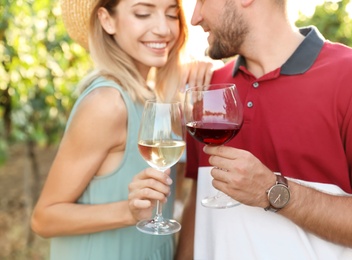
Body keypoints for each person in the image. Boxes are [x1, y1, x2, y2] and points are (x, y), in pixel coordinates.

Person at [176, 0, 352, 259]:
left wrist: (273, 192)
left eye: (201, 1)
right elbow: (198, 207)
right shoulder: (209, 88)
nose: (195, 17)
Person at [30, 0, 216, 259]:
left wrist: (197, 76)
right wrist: (128, 212)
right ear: (107, 20)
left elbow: (176, 190)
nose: (163, 29)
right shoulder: (107, 103)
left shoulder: (153, 99)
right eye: (143, 13)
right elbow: (43, 218)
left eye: (172, 15)